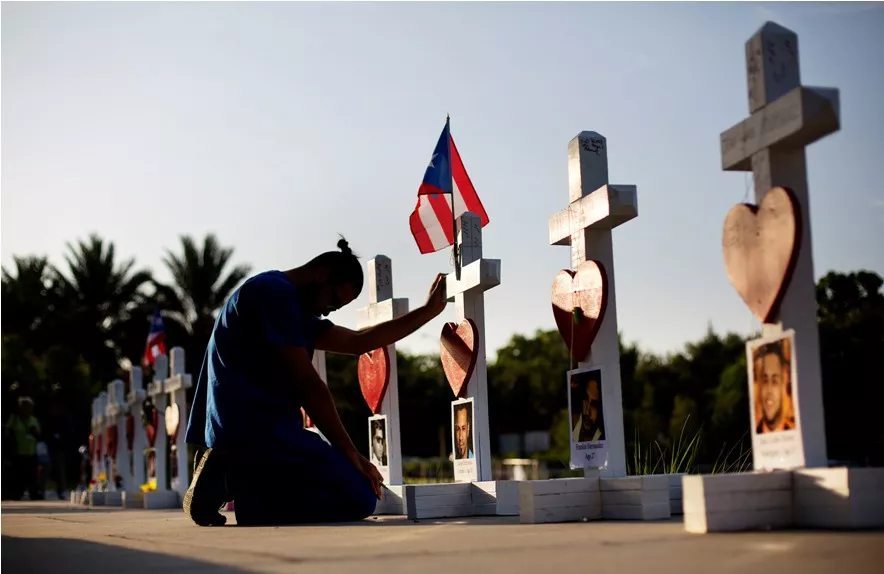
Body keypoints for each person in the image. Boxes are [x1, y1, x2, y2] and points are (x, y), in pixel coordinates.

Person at [183, 238, 448, 527]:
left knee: (348, 488)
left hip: (257, 432)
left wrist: (427, 312)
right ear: (322, 274)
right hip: (256, 430)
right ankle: (237, 482)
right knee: (358, 496)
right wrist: (351, 453)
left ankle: (243, 486)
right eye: (333, 301)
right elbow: (308, 385)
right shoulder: (274, 294)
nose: (327, 311)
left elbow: (359, 342)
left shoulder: (290, 306)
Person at [4, 397, 42, 500]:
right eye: (24, 407)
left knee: (32, 475)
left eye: (28, 407)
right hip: (18, 453)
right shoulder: (14, 419)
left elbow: (39, 435)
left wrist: (34, 432)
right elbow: (6, 433)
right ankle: (16, 493)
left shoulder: (33, 420)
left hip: (31, 452)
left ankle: (34, 493)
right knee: (17, 475)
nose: (26, 410)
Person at [755, 341, 795, 434]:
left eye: (774, 381)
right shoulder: (749, 440)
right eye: (765, 381)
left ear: (783, 383)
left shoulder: (798, 436)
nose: (769, 391)